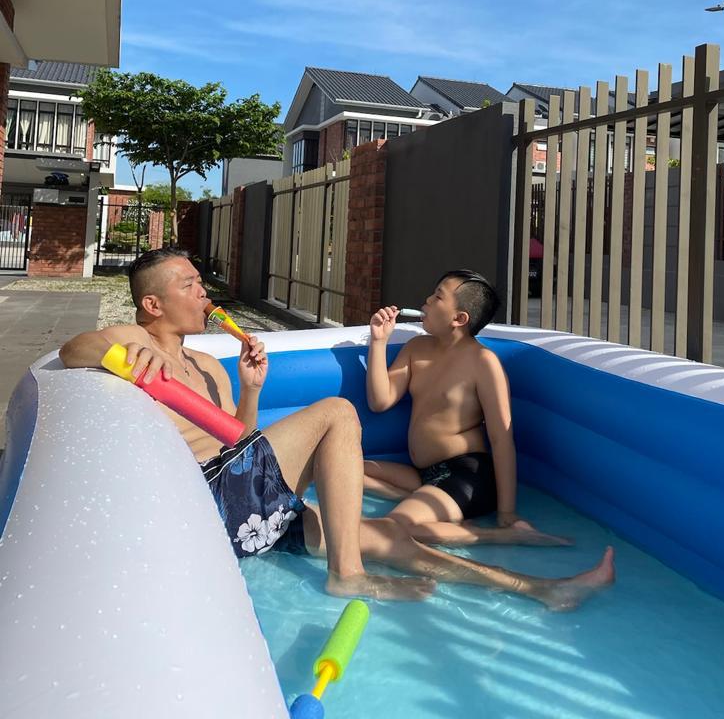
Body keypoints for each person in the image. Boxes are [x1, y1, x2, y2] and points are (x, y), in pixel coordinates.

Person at [60, 249, 614, 610]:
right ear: (152, 303)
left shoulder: (208, 365)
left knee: (391, 538)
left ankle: (541, 590)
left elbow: (240, 441)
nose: (205, 293)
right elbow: (71, 349)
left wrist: (251, 389)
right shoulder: (131, 338)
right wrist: (119, 350)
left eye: (202, 283)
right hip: (203, 504)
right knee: (337, 412)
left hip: (246, 504)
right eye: (190, 285)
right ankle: (346, 575)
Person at [364, 270, 567, 548]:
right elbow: (380, 401)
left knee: (395, 527)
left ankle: (502, 535)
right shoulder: (416, 348)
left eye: (438, 297)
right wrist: (378, 341)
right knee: (345, 469)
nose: (427, 300)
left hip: (467, 475)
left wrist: (506, 512)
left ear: (459, 319)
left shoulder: (483, 363)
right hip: (424, 474)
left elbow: (501, 438)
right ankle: (420, 502)